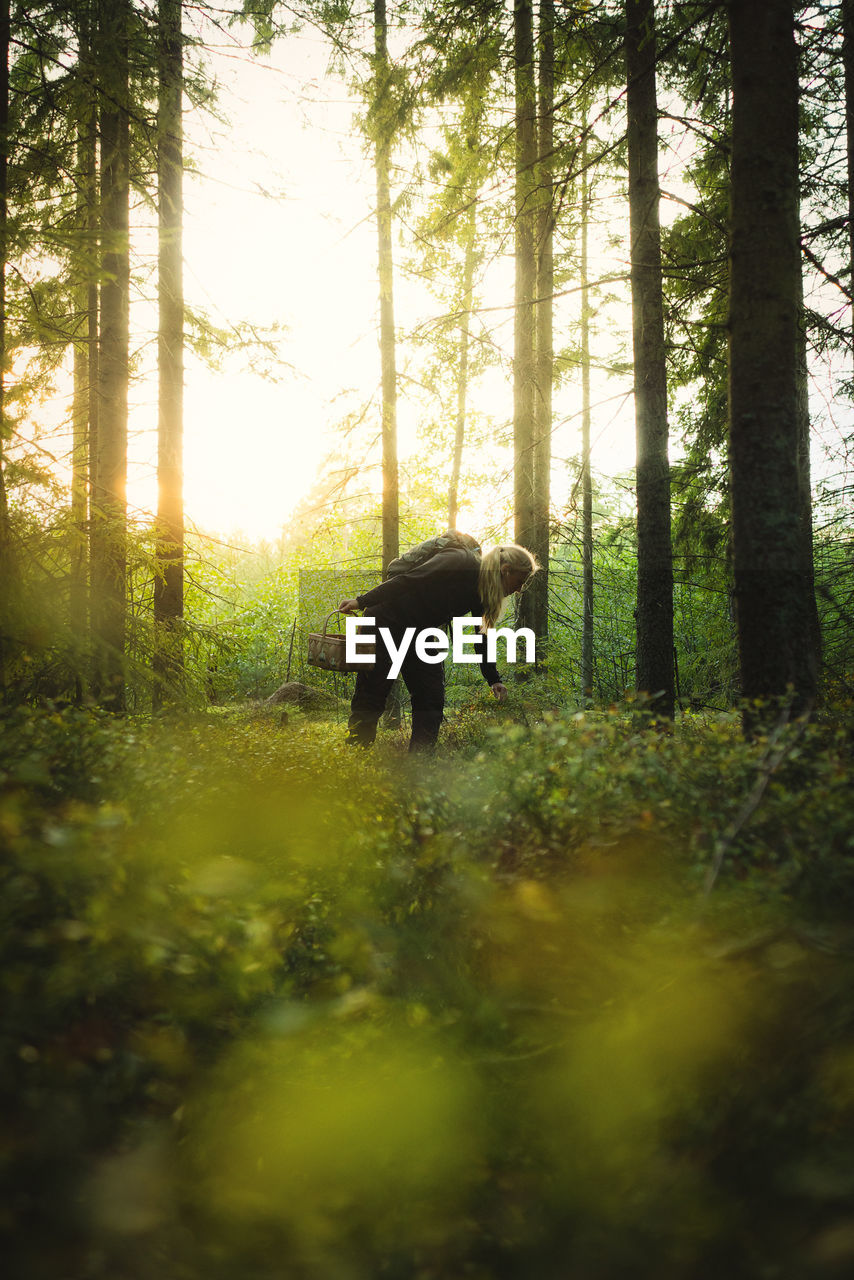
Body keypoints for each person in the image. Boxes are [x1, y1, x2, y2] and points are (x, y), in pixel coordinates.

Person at [338, 542, 538, 752]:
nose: (519, 589)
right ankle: (356, 755)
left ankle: (420, 764)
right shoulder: (459, 561)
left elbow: (481, 634)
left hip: (421, 633)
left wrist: (493, 678)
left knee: (431, 698)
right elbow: (408, 580)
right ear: (506, 571)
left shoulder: (482, 591)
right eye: (520, 581)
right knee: (372, 694)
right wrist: (361, 601)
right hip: (385, 622)